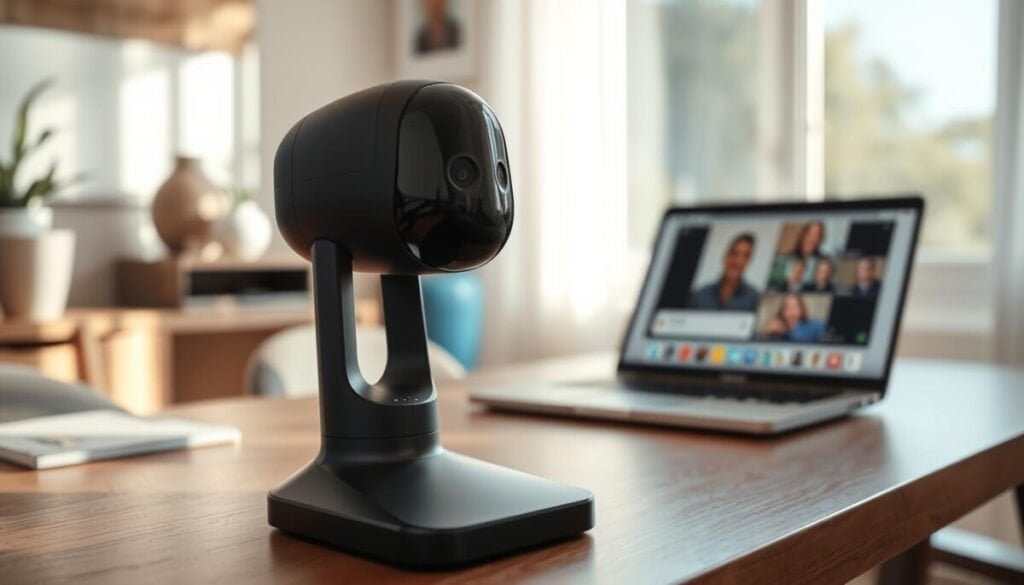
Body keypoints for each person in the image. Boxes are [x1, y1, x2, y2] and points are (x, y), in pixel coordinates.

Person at [687, 233, 761, 311]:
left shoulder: (755, 299)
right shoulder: (699, 296)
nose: (738, 261)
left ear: (749, 261)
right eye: (734, 253)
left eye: (745, 256)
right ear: (725, 256)